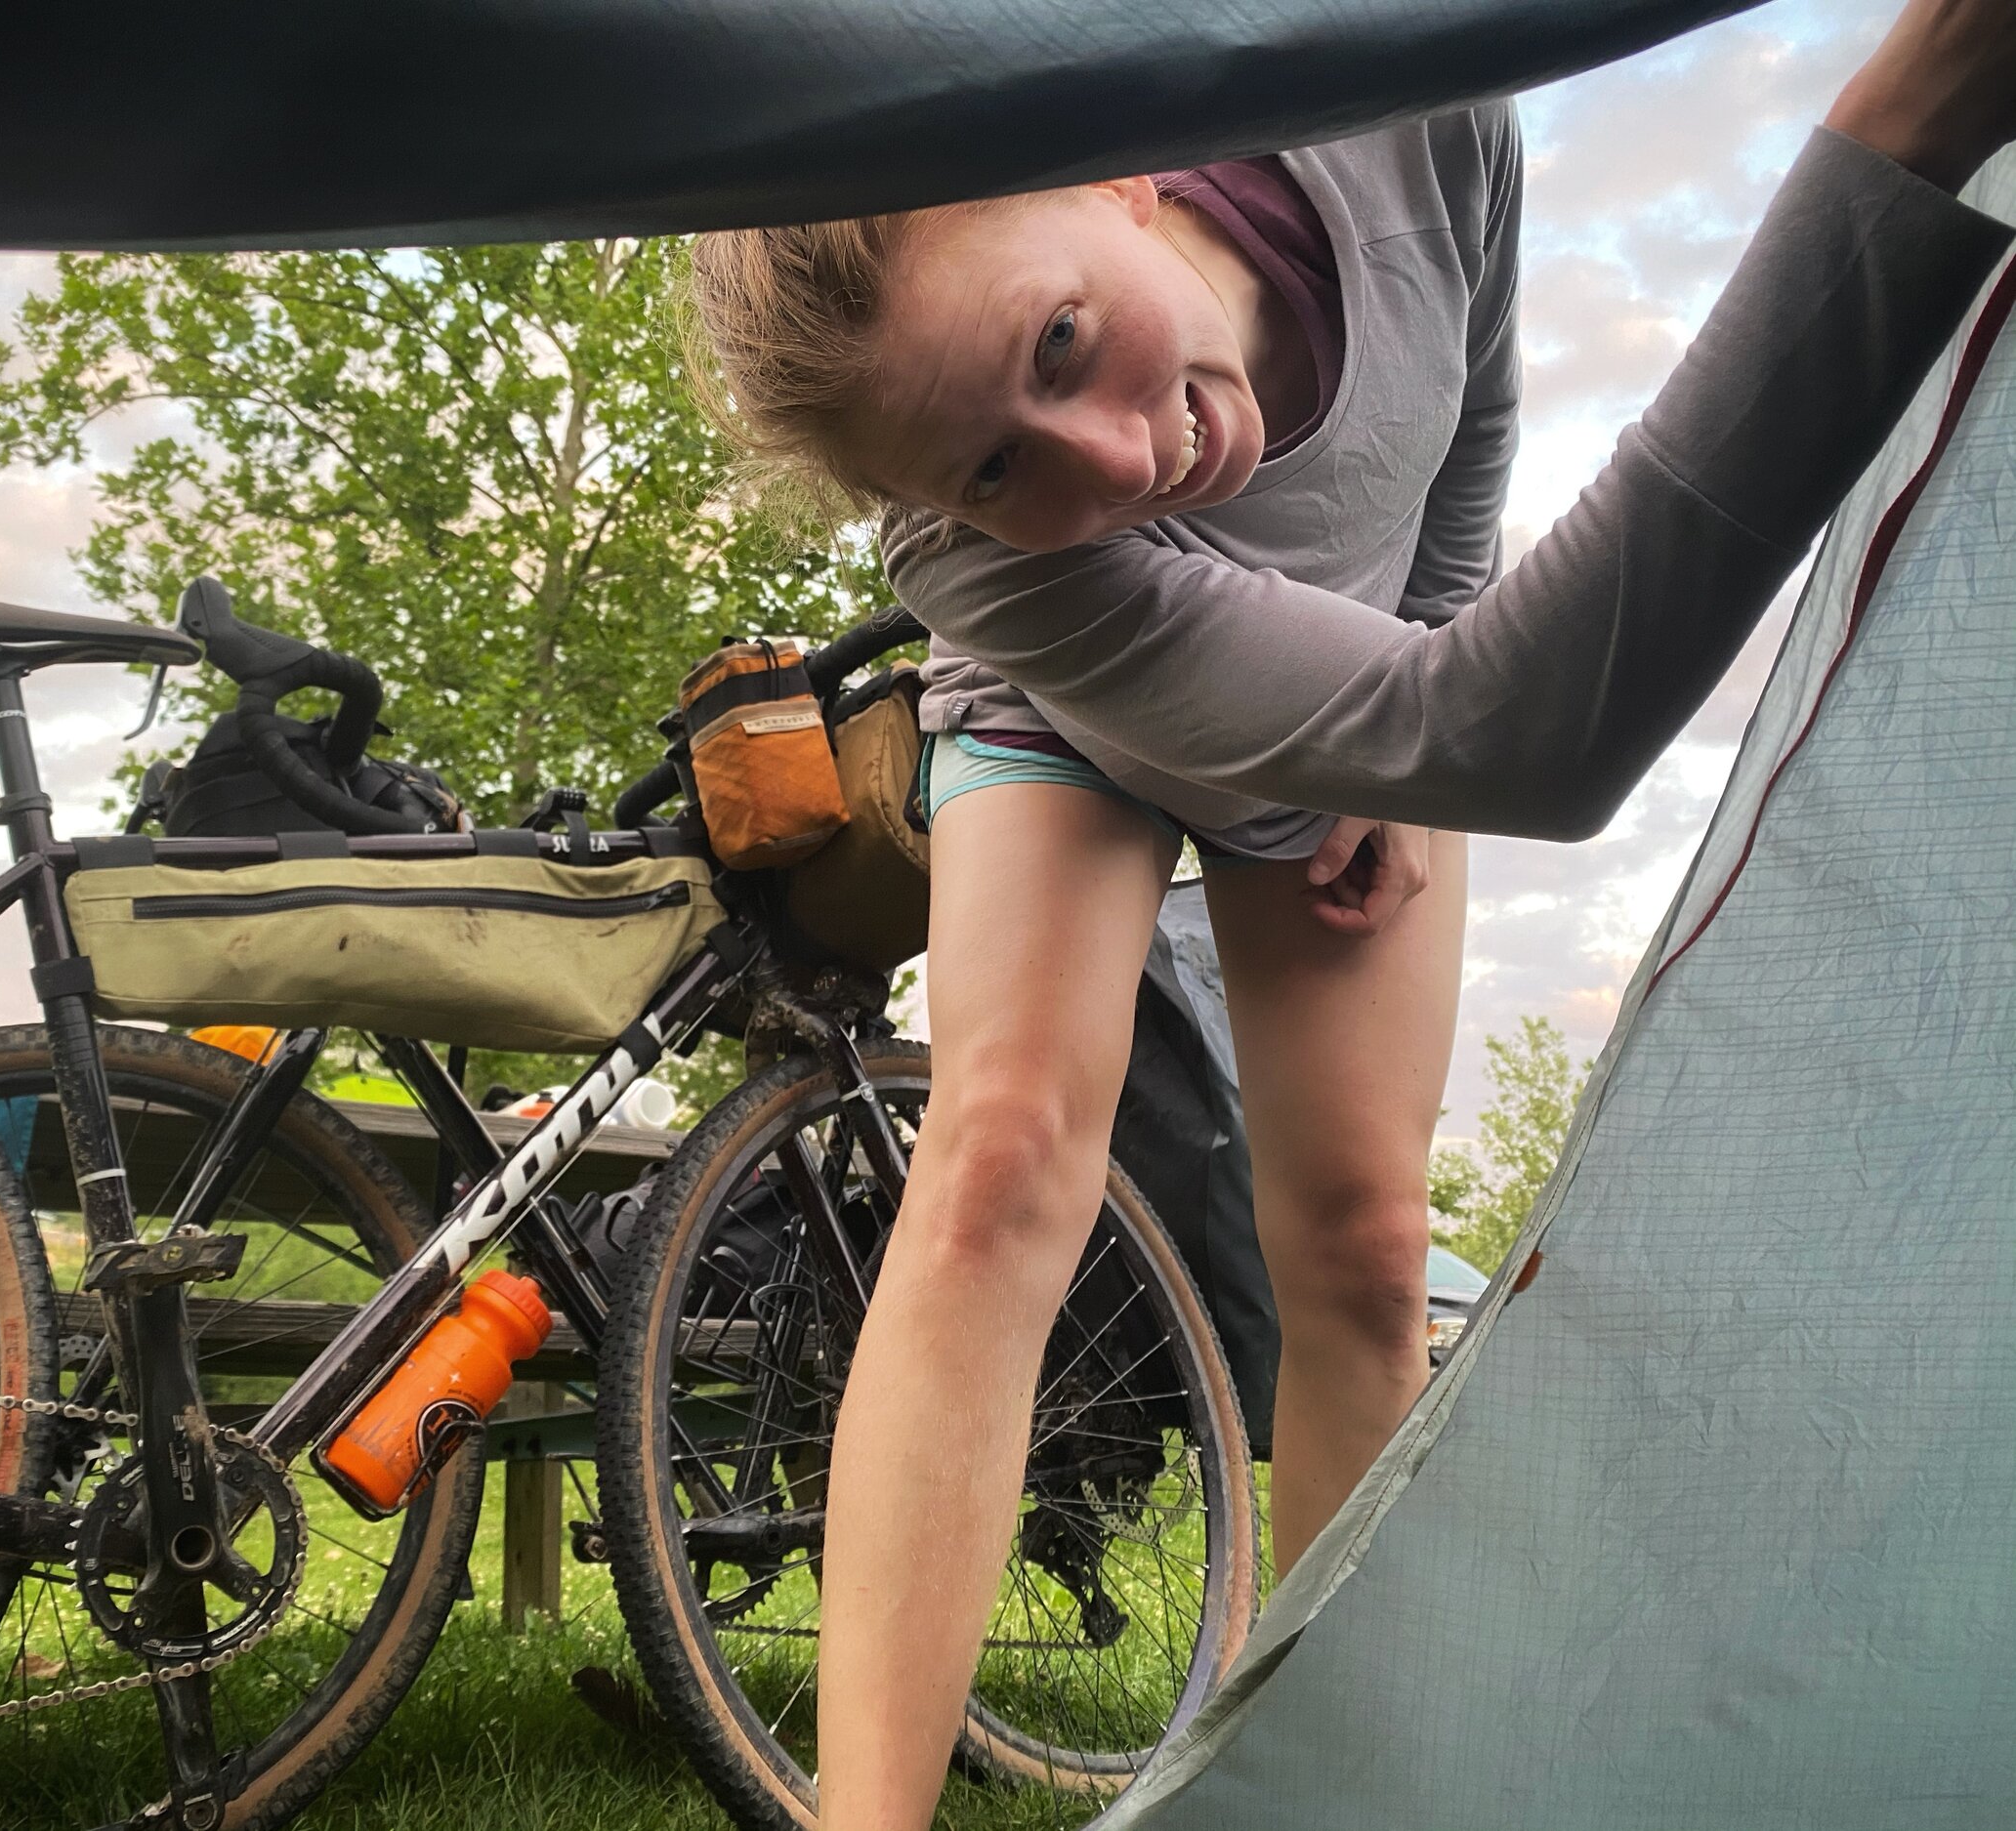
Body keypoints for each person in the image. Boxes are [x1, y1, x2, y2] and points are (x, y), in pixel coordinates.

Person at [681, 1, 2016, 1826]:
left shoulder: (1413, 111)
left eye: (1062, 339)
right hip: (1073, 721)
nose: (1107, 463)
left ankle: (1328, 1798)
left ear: (1117, 168)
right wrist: (1910, 124)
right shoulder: (987, 559)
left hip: (1369, 703)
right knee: (995, 1159)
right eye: (997, 464)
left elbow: (1475, 412)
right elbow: (1515, 731)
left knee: (1372, 1255)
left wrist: (1403, 742)